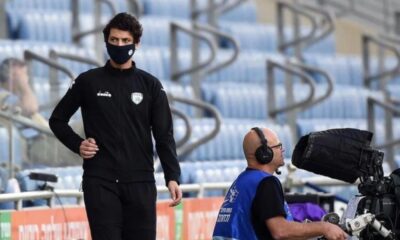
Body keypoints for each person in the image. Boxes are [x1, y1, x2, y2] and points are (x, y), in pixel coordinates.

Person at [49, 12, 182, 240]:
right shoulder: (88, 81)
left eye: (125, 41)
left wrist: (172, 176)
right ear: (106, 42)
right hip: (100, 181)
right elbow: (57, 120)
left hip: (140, 182)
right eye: (114, 40)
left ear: (136, 43)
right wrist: (78, 144)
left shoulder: (150, 85)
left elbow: (164, 135)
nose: (119, 45)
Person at [212, 127, 348, 240]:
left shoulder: (242, 181)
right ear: (264, 153)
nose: (282, 150)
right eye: (278, 146)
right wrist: (324, 227)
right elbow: (281, 231)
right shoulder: (266, 182)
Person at [0, 58, 47, 126]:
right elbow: (30, 109)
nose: (27, 78)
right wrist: (23, 85)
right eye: (24, 73)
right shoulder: (3, 94)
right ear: (13, 74)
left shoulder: (15, 96)